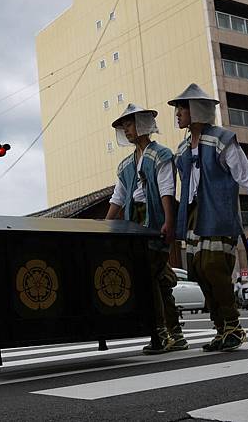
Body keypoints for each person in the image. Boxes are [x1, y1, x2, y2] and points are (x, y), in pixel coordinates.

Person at [170, 83, 248, 352]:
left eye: (182, 107)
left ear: (197, 110)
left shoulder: (220, 139)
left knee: (215, 265)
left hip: (218, 210)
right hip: (194, 213)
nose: (178, 112)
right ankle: (220, 329)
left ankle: (233, 326)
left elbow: (243, 172)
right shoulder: (182, 148)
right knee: (198, 269)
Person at [106, 103, 187, 354]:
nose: (126, 130)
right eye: (123, 126)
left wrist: (169, 221)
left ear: (142, 124)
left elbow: (167, 189)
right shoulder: (125, 165)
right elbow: (118, 198)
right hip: (135, 225)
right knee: (159, 279)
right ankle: (175, 334)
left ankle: (162, 333)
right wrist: (105, 225)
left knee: (148, 278)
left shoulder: (161, 154)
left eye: (129, 124)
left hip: (155, 221)